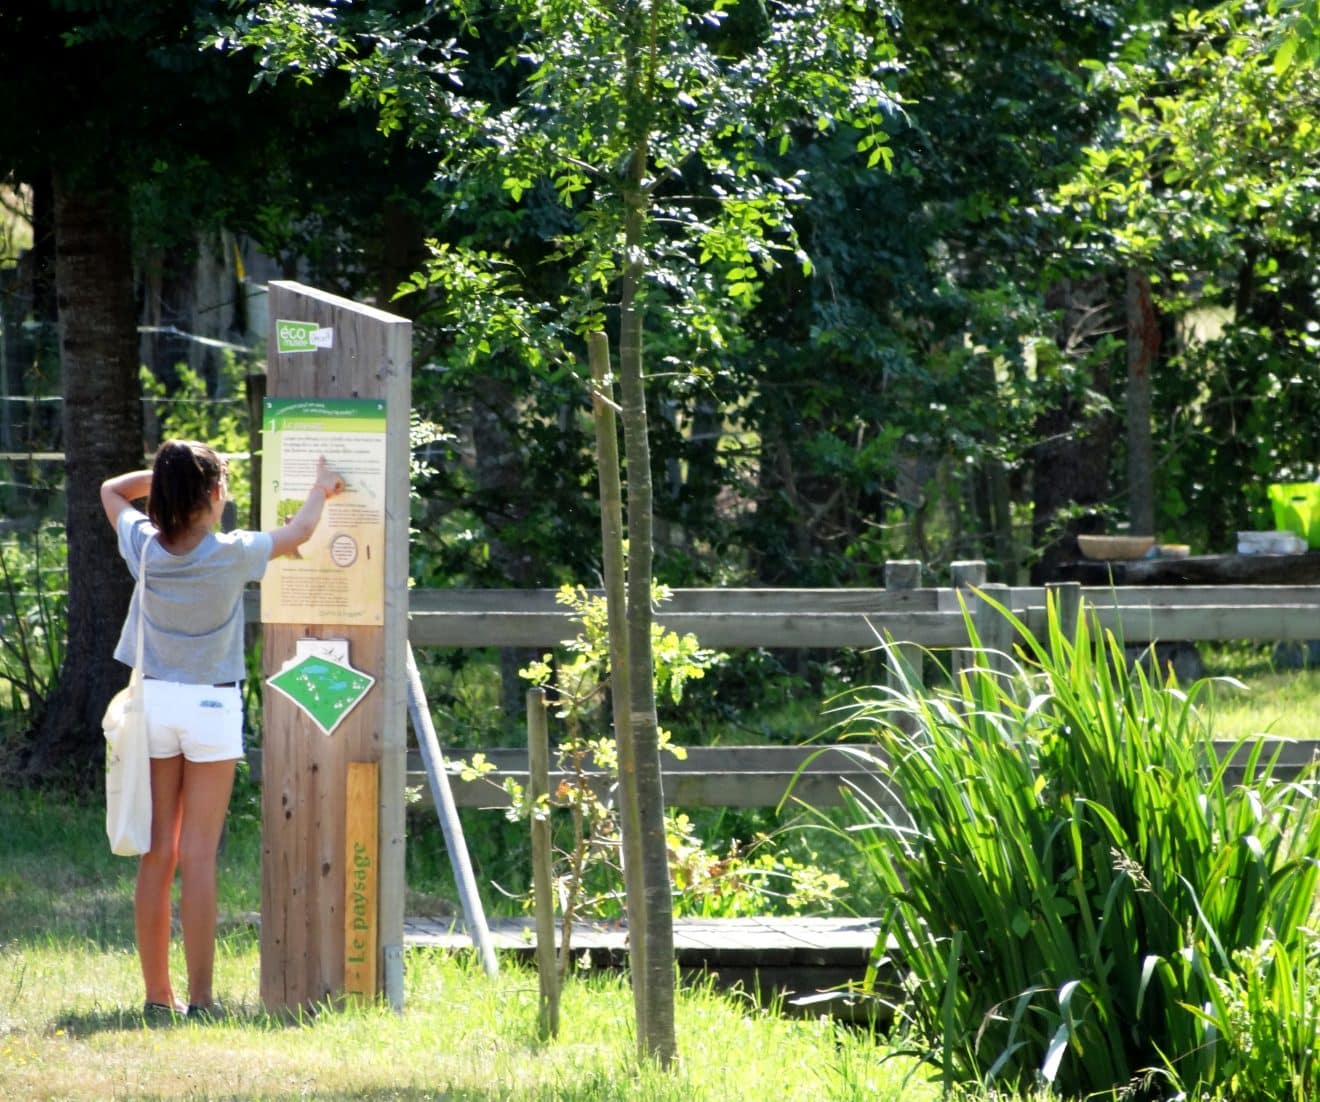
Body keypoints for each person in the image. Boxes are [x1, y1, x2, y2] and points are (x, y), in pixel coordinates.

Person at [101, 439, 343, 1022]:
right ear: (213, 495)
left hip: (155, 703)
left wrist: (162, 477)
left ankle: (157, 997)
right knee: (199, 856)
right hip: (212, 710)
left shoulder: (146, 549)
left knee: (157, 854)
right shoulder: (233, 552)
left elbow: (111, 490)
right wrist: (321, 488)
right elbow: (302, 532)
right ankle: (203, 1000)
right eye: (222, 484)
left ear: (164, 495)